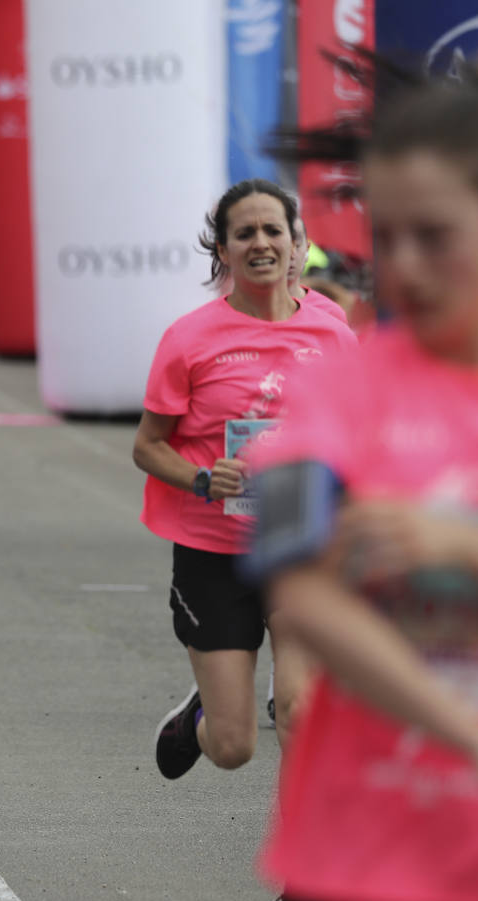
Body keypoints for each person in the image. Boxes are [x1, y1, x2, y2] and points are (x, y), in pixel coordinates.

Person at [253, 78, 478, 901]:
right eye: (388, 236)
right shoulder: (331, 391)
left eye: (436, 235)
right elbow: (302, 597)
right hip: (361, 863)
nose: (406, 266)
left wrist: (471, 548)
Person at [133, 179, 357, 780]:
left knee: (300, 710)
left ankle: (306, 872)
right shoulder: (190, 339)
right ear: (224, 251)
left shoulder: (334, 332)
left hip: (301, 544)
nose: (261, 242)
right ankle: (198, 717)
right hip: (215, 551)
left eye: (273, 230)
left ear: (295, 244)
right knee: (233, 747)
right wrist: (205, 479)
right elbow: (148, 447)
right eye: (245, 233)